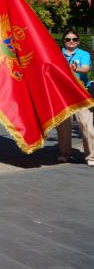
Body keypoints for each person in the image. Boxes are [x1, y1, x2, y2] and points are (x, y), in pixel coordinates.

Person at [56, 29, 93, 166]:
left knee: (86, 125)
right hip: (62, 94)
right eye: (68, 39)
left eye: (74, 39)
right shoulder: (56, 53)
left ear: (78, 41)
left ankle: (91, 157)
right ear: (63, 41)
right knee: (64, 126)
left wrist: (75, 69)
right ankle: (64, 154)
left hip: (81, 93)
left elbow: (85, 68)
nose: (71, 42)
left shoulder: (83, 54)